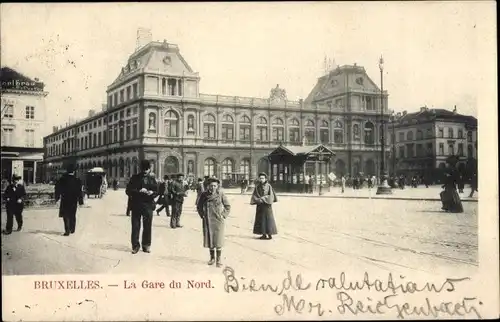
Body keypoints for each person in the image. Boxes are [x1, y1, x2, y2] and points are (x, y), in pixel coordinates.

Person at [196, 177, 231, 267]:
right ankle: (212, 258)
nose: (213, 188)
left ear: (217, 186)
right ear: (208, 186)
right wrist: (202, 215)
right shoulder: (204, 195)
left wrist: (223, 215)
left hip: (218, 220)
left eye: (215, 186)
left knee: (218, 241)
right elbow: (199, 206)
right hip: (207, 220)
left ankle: (218, 260)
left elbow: (227, 206)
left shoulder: (221, 194)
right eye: (211, 186)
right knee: (210, 240)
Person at [126, 160, 158, 253]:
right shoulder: (134, 178)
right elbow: (128, 191)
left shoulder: (152, 179)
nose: (145, 171)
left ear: (149, 169)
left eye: (147, 169)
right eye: (144, 169)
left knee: (147, 226)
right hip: (136, 204)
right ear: (141, 169)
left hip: (148, 205)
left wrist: (152, 193)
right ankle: (135, 246)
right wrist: (138, 191)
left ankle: (146, 245)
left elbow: (157, 191)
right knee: (135, 226)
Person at [55, 164, 84, 236]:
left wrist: (57, 197)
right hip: (73, 201)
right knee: (72, 215)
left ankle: (67, 230)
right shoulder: (77, 180)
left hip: (65, 200)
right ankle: (72, 228)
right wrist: (80, 201)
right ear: (74, 172)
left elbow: (57, 189)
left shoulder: (62, 179)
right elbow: (79, 192)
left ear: (67, 171)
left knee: (65, 215)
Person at [250, 172, 278, 240]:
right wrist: (258, 200)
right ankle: (263, 234)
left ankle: (270, 234)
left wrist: (263, 198)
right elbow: (254, 195)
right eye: (260, 178)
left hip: (267, 206)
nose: (261, 179)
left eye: (263, 178)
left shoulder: (268, 186)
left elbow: (271, 196)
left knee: (268, 220)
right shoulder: (257, 187)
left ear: (265, 179)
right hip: (260, 206)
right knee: (261, 220)